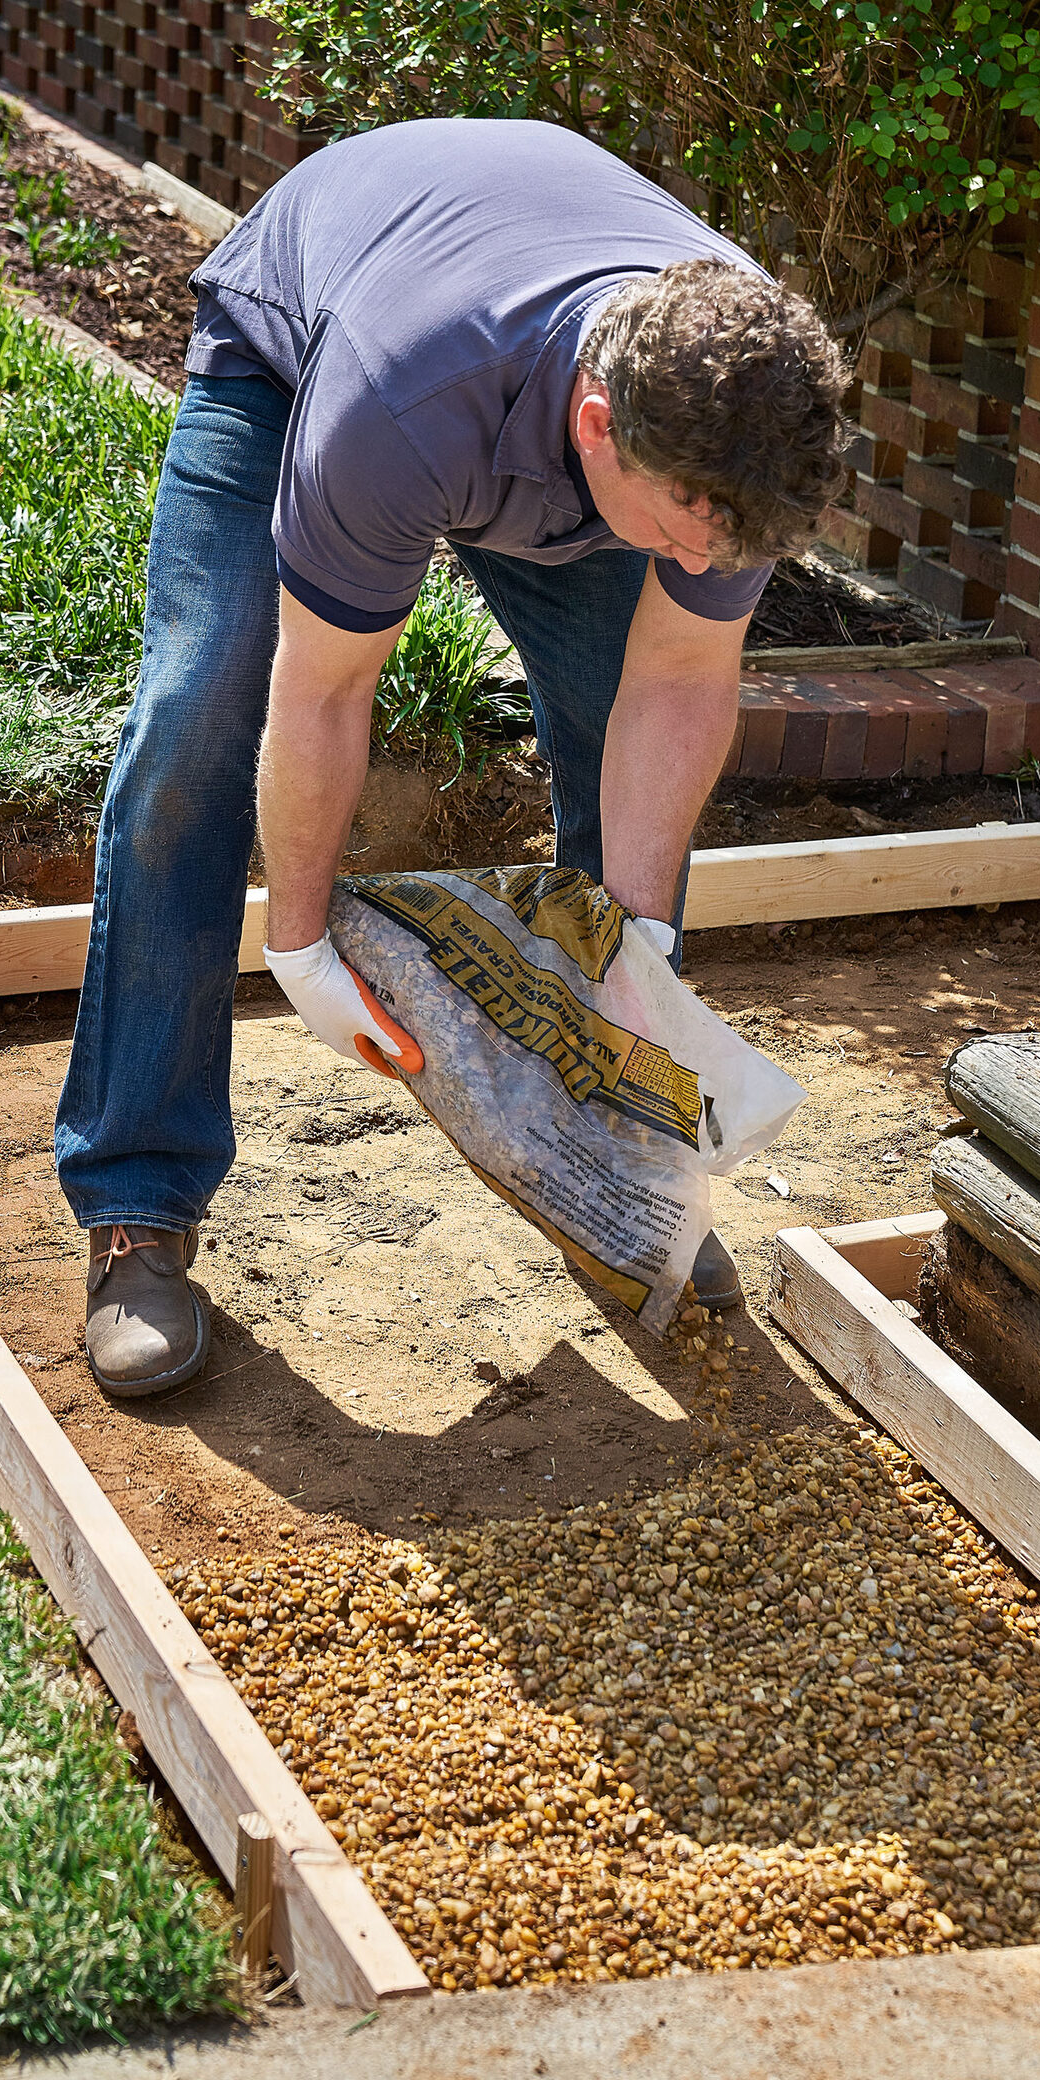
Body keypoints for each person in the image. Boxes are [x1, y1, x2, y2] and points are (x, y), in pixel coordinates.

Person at [53, 116, 849, 1398]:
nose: (700, 568)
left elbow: (681, 678)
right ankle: (139, 1203)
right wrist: (305, 945)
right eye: (684, 536)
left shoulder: (736, 423)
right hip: (302, 352)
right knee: (197, 725)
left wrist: (638, 943)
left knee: (616, 721)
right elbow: (323, 691)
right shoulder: (400, 397)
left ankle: (631, 1188)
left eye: (724, 545)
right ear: (597, 425)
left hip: (545, 405)